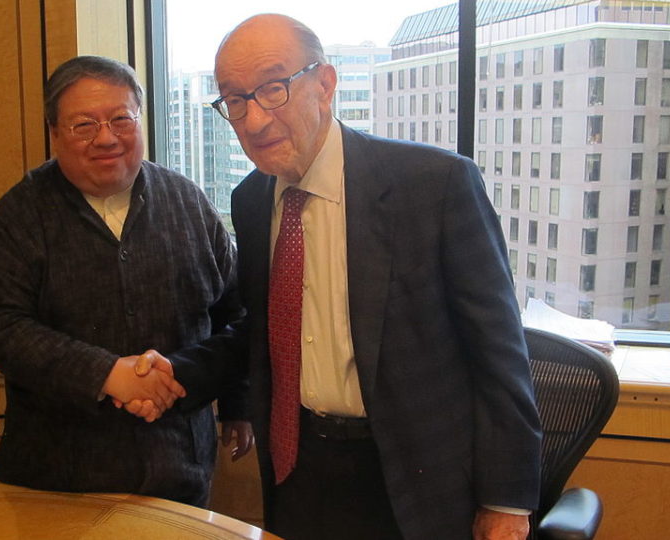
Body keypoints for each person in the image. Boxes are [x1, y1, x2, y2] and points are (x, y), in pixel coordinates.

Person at [210, 14, 543, 539]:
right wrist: (174, 375)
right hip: (299, 470)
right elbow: (262, 332)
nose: (253, 120)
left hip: (415, 477)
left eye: (273, 89)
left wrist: (507, 501)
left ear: (325, 84)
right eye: (234, 100)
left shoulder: (433, 185)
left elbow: (500, 352)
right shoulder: (250, 201)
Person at [0, 55, 252, 508]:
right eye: (84, 125)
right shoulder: (20, 214)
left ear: (140, 120)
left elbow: (234, 313)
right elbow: (0, 326)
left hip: (179, 466)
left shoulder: (189, 202)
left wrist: (238, 404)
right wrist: (105, 374)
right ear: (55, 133)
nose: (106, 138)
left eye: (121, 119)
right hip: (59, 476)